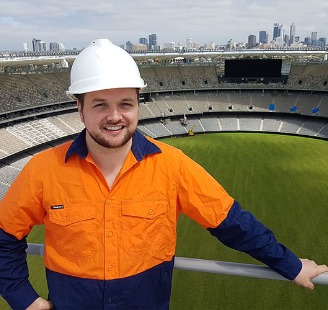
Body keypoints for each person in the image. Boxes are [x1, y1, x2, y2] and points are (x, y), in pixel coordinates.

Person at [0, 39, 327, 310]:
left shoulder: (172, 164)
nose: (115, 117)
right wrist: (25, 300)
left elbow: (231, 221)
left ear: (139, 103)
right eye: (100, 104)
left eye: (125, 104)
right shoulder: (43, 170)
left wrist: (290, 264)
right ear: (79, 107)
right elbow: (3, 237)